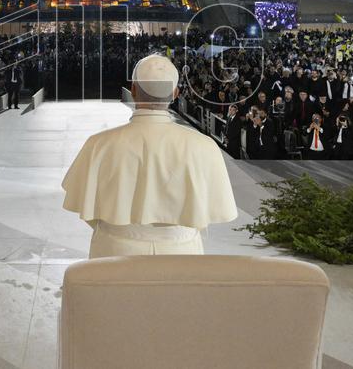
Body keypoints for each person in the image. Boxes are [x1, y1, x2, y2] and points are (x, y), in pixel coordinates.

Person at [62, 54, 237, 258]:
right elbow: (215, 208)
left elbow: (84, 205)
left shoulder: (98, 144)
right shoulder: (204, 146)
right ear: (175, 93)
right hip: (182, 252)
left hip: (114, 250)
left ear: (133, 91)